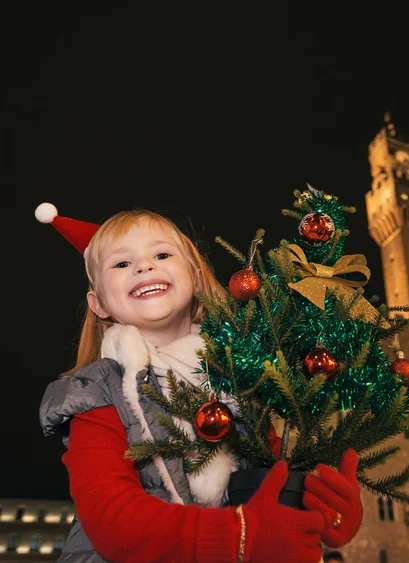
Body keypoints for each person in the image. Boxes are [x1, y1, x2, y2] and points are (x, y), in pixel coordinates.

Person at [35, 203, 363, 563]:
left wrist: (319, 509)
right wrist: (240, 536)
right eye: (121, 263)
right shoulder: (95, 394)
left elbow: (269, 485)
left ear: (194, 276)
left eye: (161, 254)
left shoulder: (236, 379)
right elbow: (112, 520)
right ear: (98, 304)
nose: (144, 266)